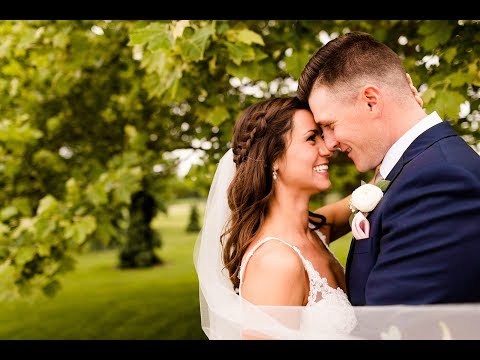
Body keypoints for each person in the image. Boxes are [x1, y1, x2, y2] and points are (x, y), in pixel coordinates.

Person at [194, 78, 425, 340]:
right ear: (274, 159)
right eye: (311, 138)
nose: (328, 147)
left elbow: (375, 187)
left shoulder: (315, 229)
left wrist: (406, 121)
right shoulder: (275, 263)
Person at [297, 31, 480, 306]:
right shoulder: (414, 170)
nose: (330, 143)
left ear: (371, 100)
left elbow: (395, 327)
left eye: (330, 126)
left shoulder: (439, 181)